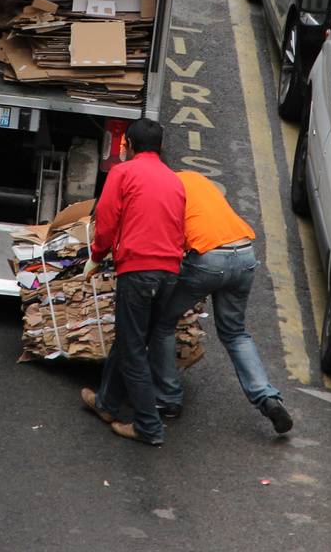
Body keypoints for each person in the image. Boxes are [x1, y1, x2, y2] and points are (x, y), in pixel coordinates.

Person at [148, 169, 293, 435]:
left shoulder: (163, 188)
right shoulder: (195, 178)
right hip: (244, 253)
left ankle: (168, 399)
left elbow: (167, 242)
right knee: (235, 333)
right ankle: (268, 398)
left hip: (208, 260)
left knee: (163, 323)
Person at [80, 118, 186, 446]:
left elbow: (107, 221)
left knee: (133, 350)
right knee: (132, 340)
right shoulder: (175, 181)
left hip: (138, 271)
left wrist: (97, 256)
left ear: (129, 145)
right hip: (170, 274)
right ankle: (107, 403)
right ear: (161, 147)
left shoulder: (122, 173)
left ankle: (148, 427)